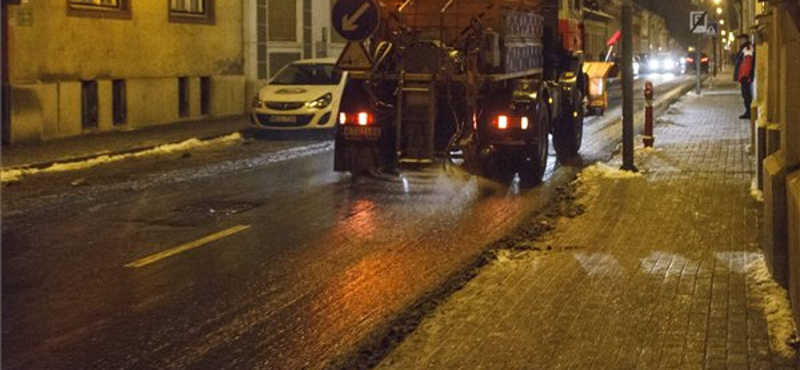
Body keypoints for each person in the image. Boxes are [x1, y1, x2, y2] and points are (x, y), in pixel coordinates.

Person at [733, 34, 755, 119]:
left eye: (740, 39)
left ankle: (749, 112)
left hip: (745, 77)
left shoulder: (747, 48)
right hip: (744, 76)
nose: (739, 41)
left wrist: (745, 75)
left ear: (745, 39)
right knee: (745, 94)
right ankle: (748, 111)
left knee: (746, 95)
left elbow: (748, 62)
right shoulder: (744, 48)